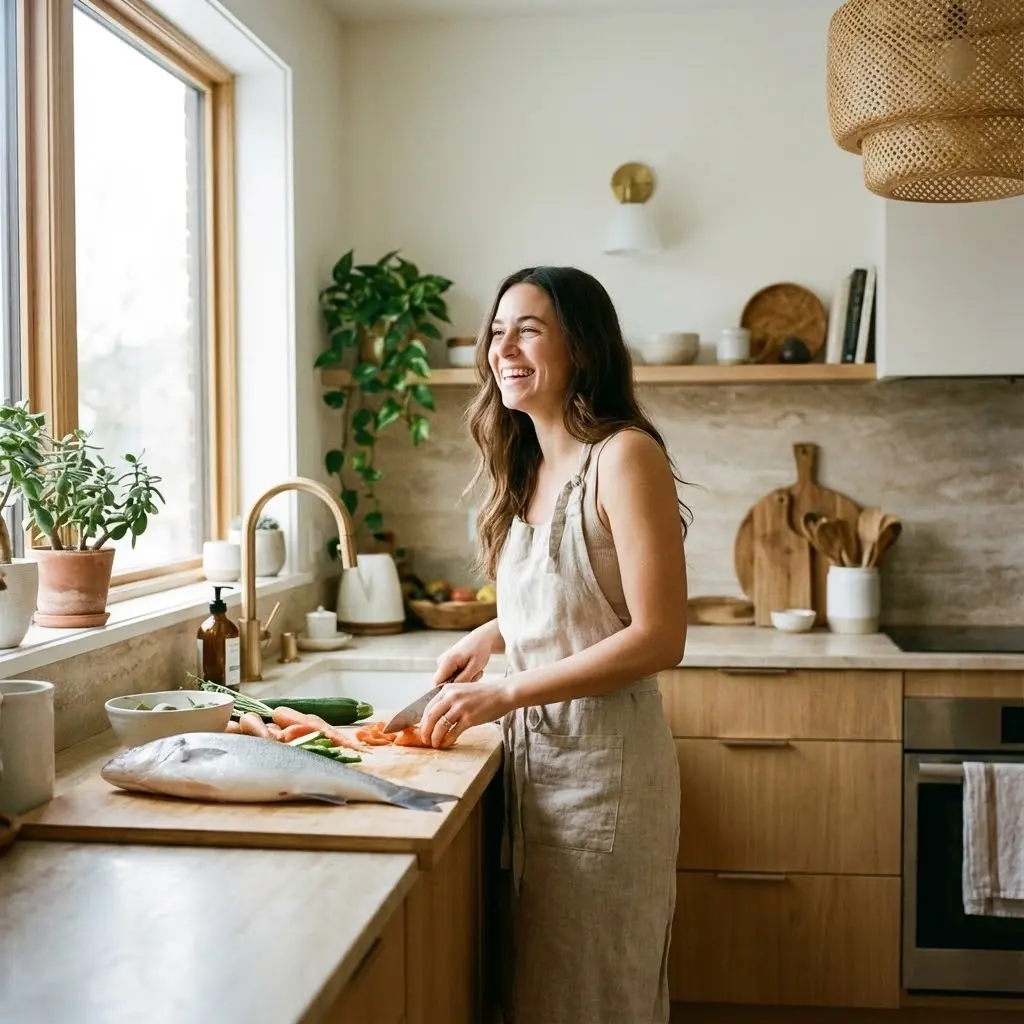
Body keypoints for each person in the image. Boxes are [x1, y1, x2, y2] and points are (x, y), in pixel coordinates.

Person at [418, 266, 690, 1024]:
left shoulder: (624, 456)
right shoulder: (530, 463)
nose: (504, 347)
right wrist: (491, 633)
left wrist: (503, 691)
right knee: (542, 992)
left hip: (607, 776)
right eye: (497, 331)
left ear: (581, 346)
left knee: (596, 993)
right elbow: (573, 590)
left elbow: (659, 635)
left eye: (529, 329)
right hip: (534, 771)